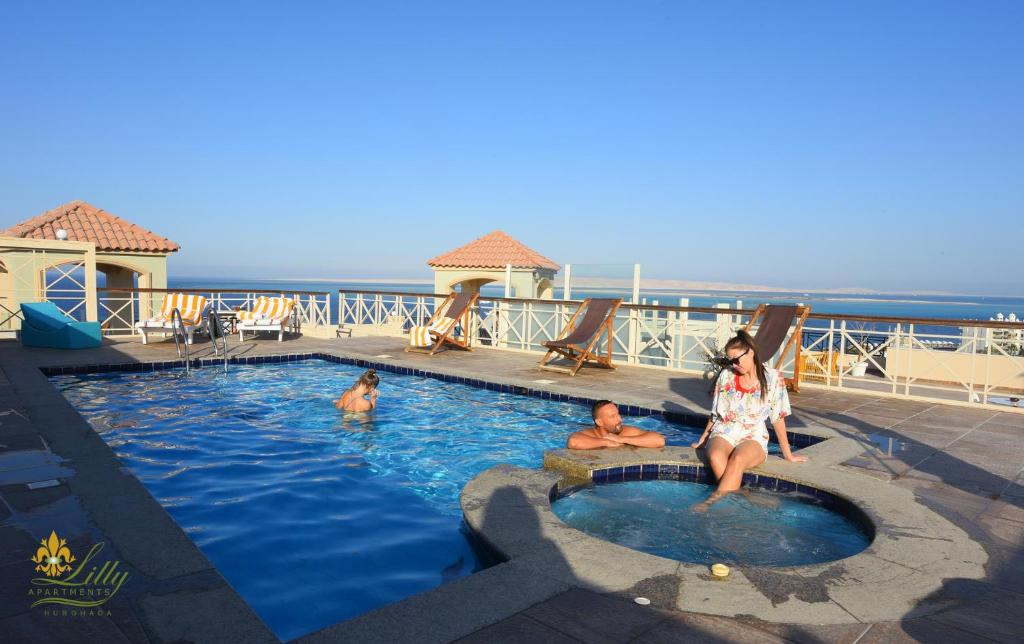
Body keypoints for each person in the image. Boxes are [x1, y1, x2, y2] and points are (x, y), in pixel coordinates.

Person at [692, 330, 807, 508]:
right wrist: (703, 438)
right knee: (715, 455)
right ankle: (740, 493)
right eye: (731, 361)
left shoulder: (773, 378)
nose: (734, 365)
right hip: (725, 429)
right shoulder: (726, 375)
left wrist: (788, 454)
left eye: (737, 360)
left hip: (753, 434)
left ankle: (710, 502)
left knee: (737, 460)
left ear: (751, 351)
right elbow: (716, 413)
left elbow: (778, 418)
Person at [567, 400, 666, 449]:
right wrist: (605, 442)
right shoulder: (589, 435)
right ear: (599, 422)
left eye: (618, 414)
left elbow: (659, 440)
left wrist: (623, 439)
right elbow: (573, 442)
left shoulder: (625, 432)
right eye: (612, 416)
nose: (619, 419)